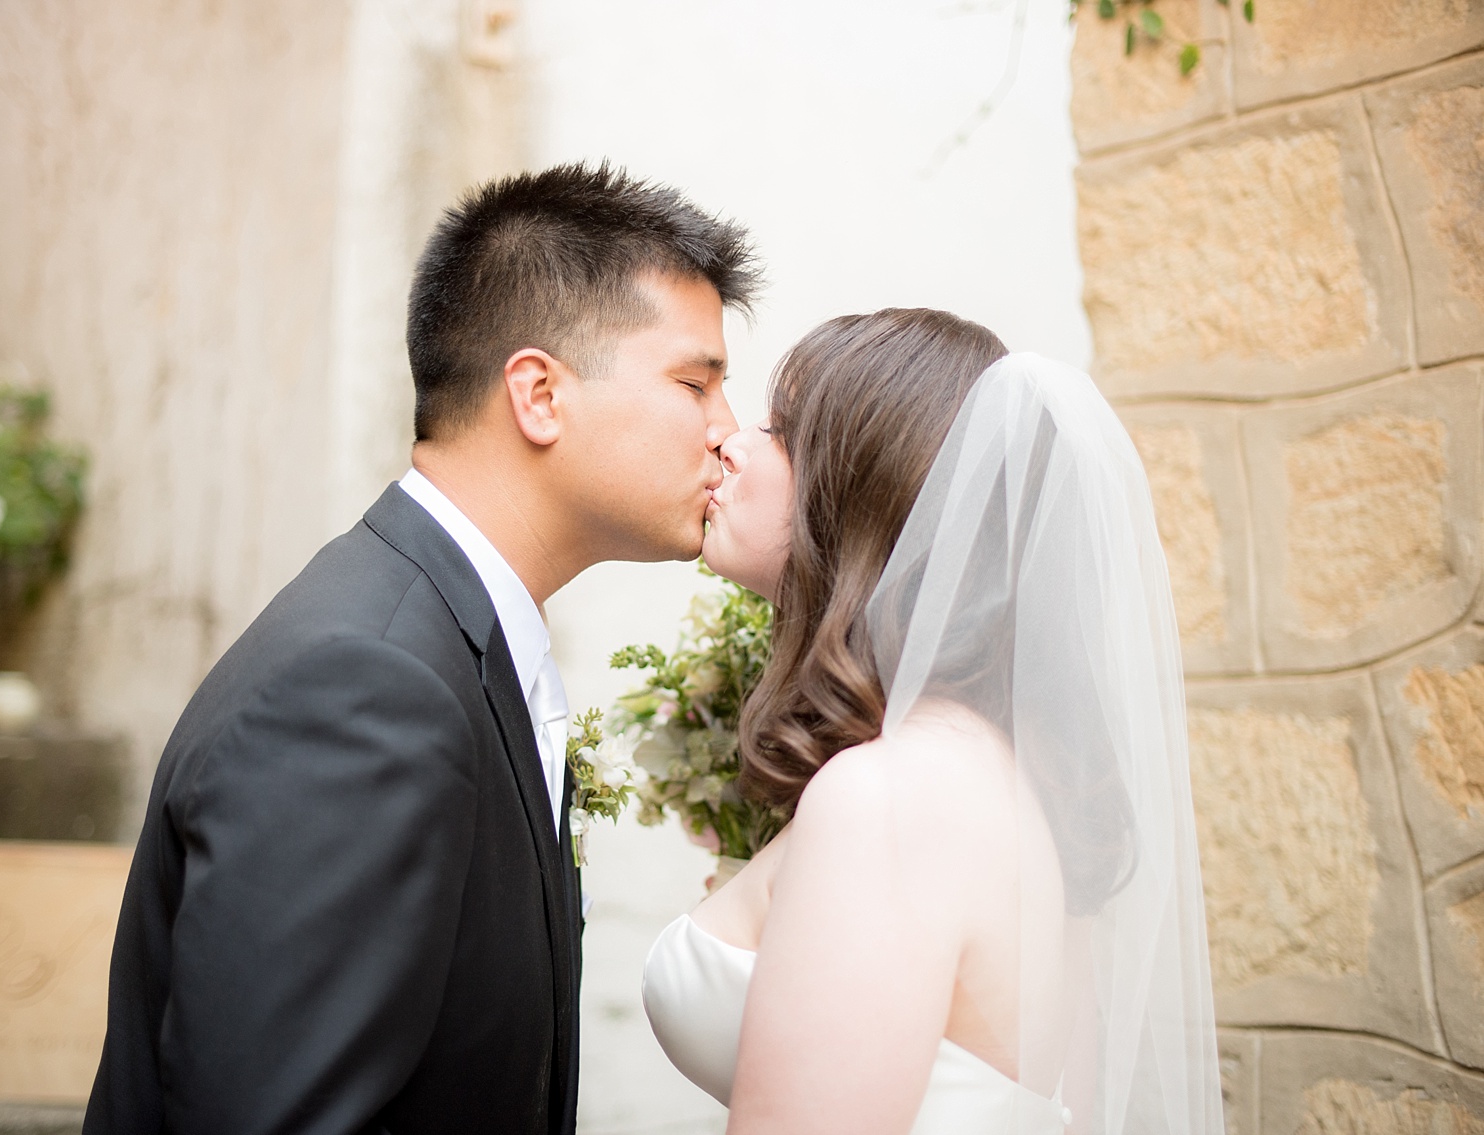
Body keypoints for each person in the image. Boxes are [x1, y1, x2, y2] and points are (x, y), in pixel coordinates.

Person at [85, 162, 760, 1135]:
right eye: (695, 383)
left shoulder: (448, 638)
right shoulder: (363, 688)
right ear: (537, 394)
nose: (726, 432)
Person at [643, 309, 1225, 1134]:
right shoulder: (1001, 772)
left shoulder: (890, 799)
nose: (731, 441)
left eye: (779, 428)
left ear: (860, 493)